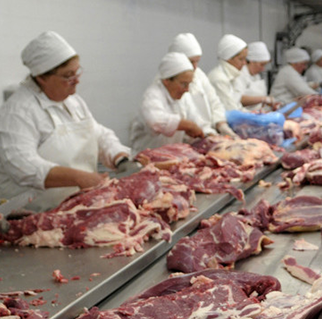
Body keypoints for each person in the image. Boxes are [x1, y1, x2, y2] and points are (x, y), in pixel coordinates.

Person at [0, 31, 131, 207]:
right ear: (41, 77)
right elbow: (23, 166)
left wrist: (119, 157)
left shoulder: (73, 101)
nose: (76, 81)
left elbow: (98, 134)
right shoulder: (18, 112)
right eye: (68, 76)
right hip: (35, 215)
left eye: (77, 72)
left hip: (76, 207)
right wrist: (79, 177)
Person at [130, 52, 202, 153]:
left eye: (189, 84)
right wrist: (188, 125)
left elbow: (197, 122)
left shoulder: (184, 98)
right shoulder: (152, 96)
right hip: (146, 161)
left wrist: (208, 135)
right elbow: (155, 122)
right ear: (167, 80)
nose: (187, 89)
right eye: (183, 84)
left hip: (172, 159)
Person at [167, 33, 234, 137]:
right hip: (183, 139)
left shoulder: (199, 74)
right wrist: (205, 132)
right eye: (191, 61)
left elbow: (214, 101)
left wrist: (221, 124)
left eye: (197, 61)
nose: (194, 66)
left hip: (202, 134)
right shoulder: (168, 81)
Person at [208, 34, 273, 111]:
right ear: (228, 58)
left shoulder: (231, 76)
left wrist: (252, 114)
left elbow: (237, 105)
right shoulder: (219, 78)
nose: (244, 63)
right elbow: (231, 110)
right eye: (241, 59)